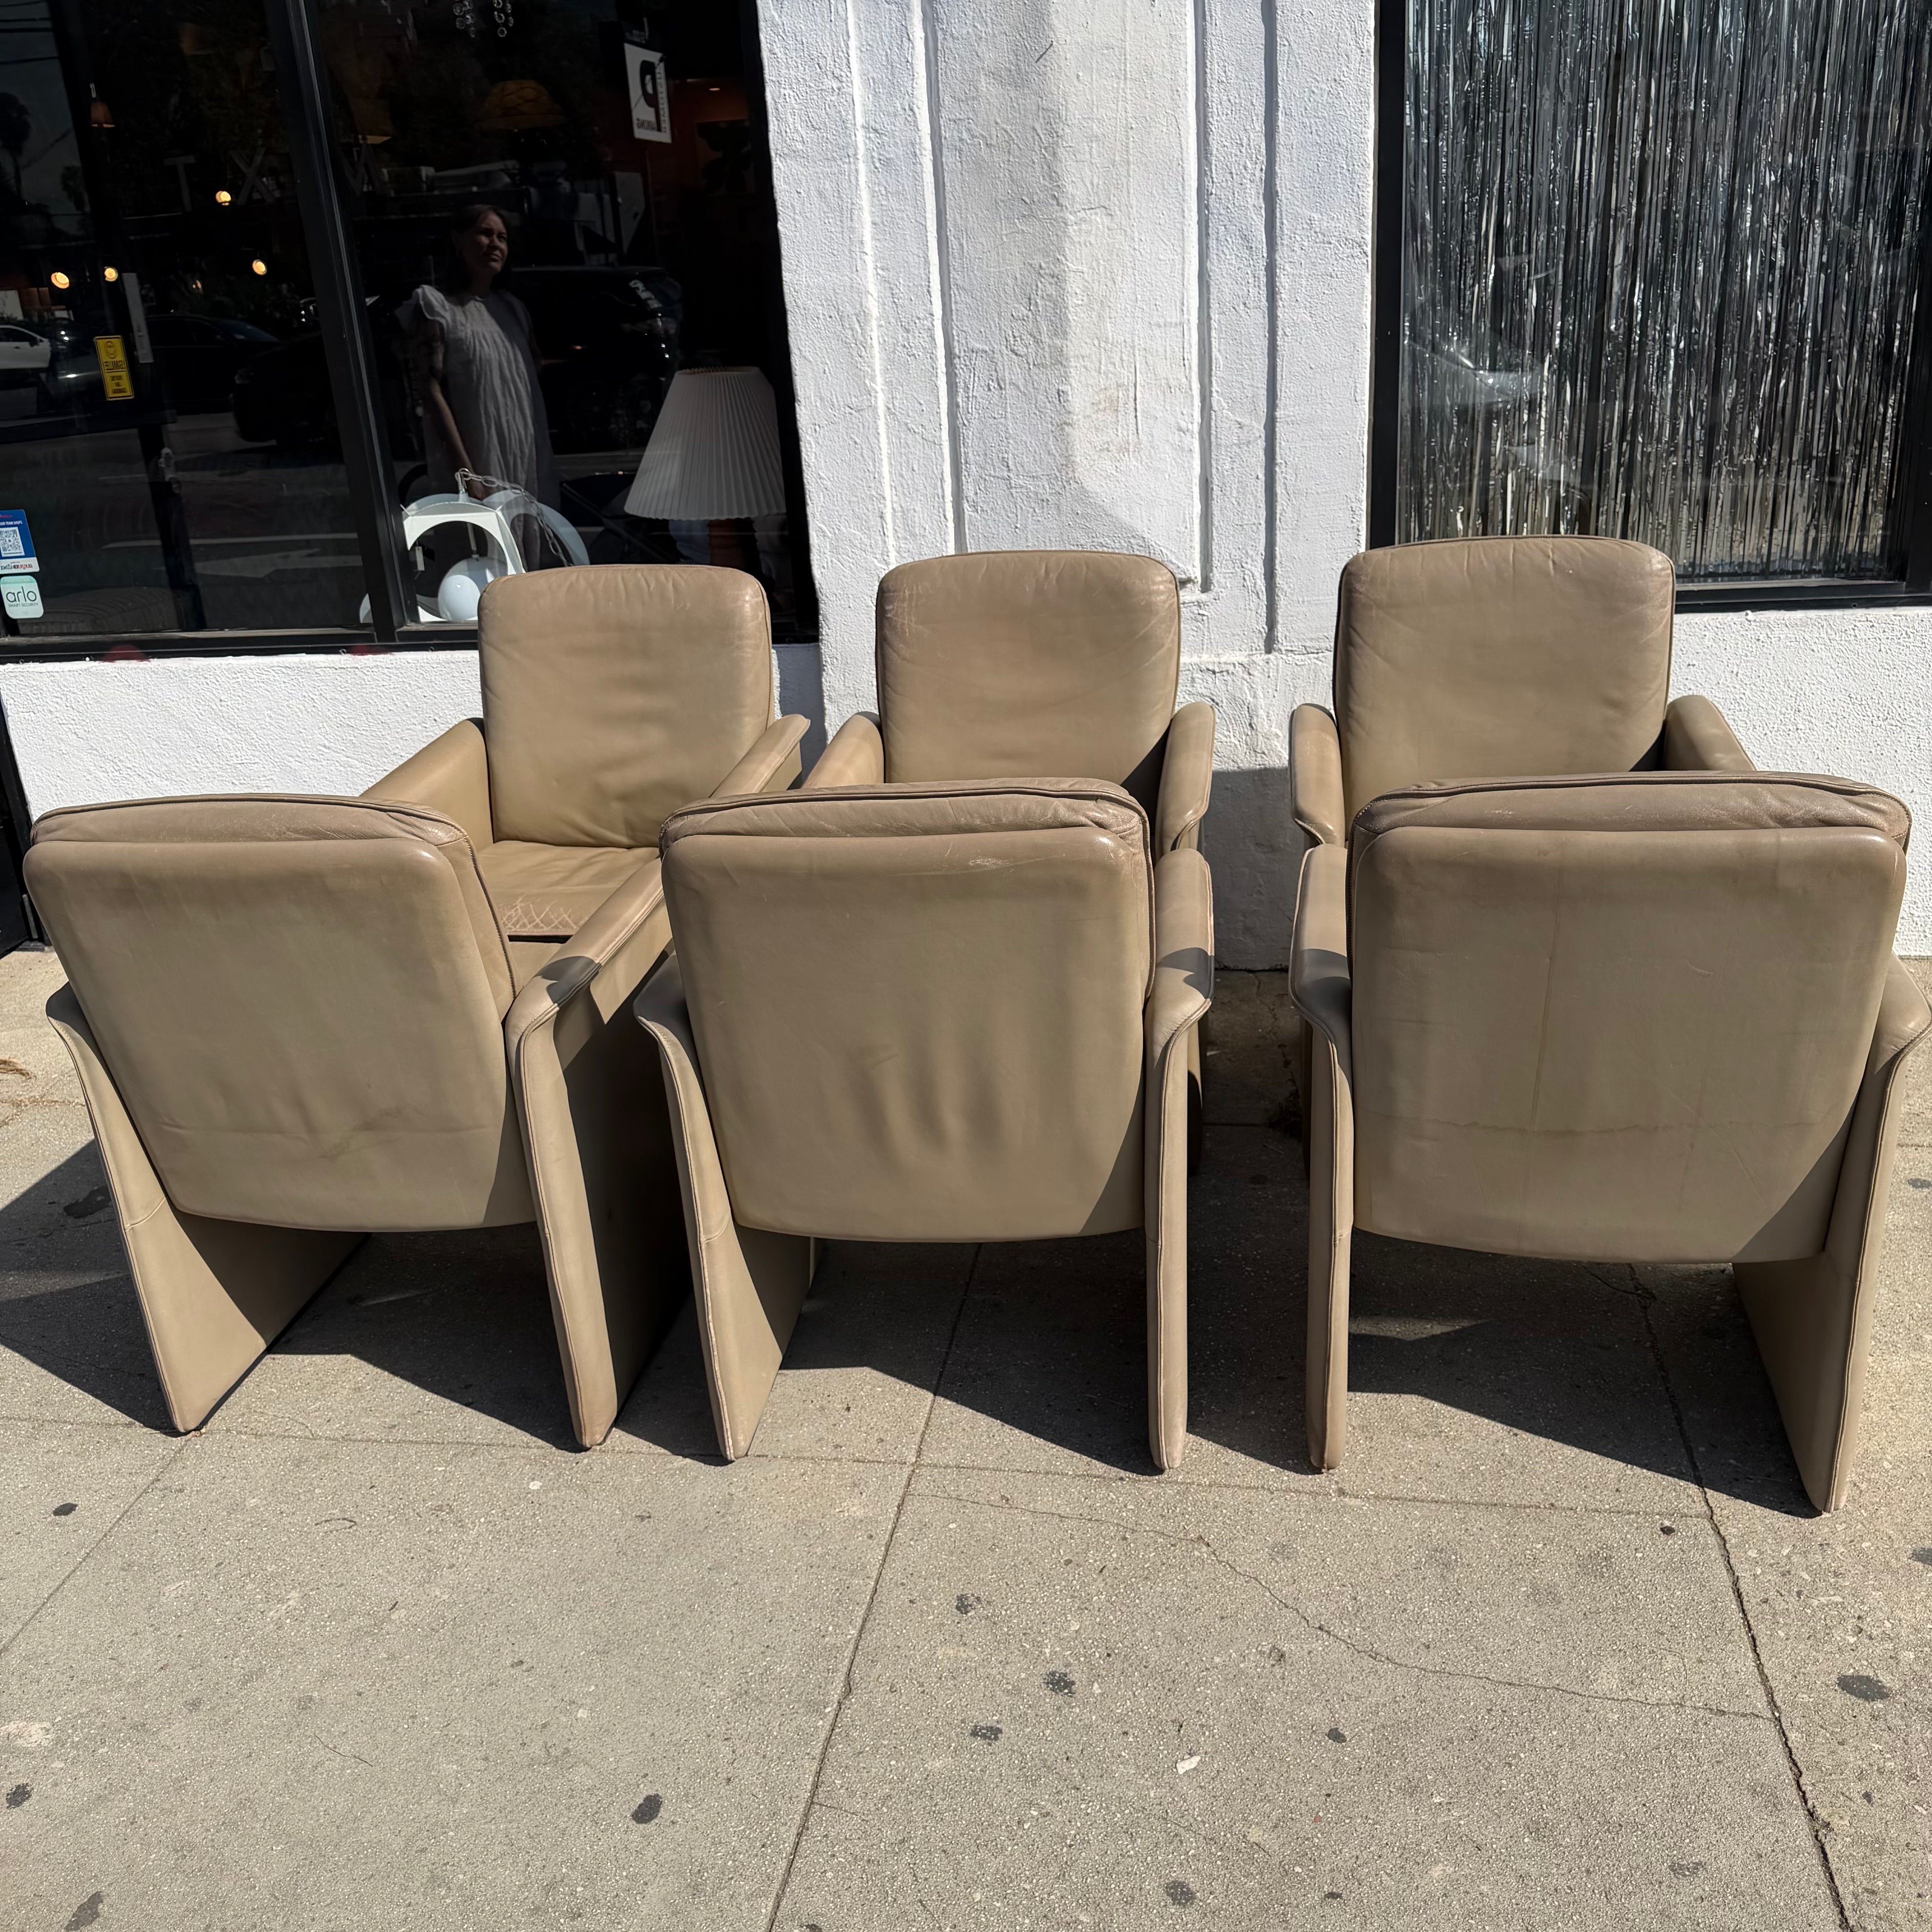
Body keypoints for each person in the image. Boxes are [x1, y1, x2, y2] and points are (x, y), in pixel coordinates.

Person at [400, 205, 557, 558]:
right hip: (479, 454)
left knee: (535, 553)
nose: (495, 244)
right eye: (485, 234)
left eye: (502, 237)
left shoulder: (512, 308)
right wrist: (466, 473)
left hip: (526, 453)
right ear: (458, 241)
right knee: (486, 557)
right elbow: (431, 391)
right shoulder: (437, 307)